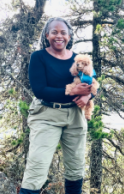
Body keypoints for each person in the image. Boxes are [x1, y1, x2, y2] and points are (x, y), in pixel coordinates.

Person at [19, 17, 94, 194]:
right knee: (37, 167)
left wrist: (88, 95)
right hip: (46, 115)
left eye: (63, 32)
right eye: (54, 32)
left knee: (76, 168)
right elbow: (40, 90)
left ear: (69, 36)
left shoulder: (78, 59)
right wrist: (73, 92)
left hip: (75, 116)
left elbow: (93, 82)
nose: (58, 36)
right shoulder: (38, 57)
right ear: (47, 35)